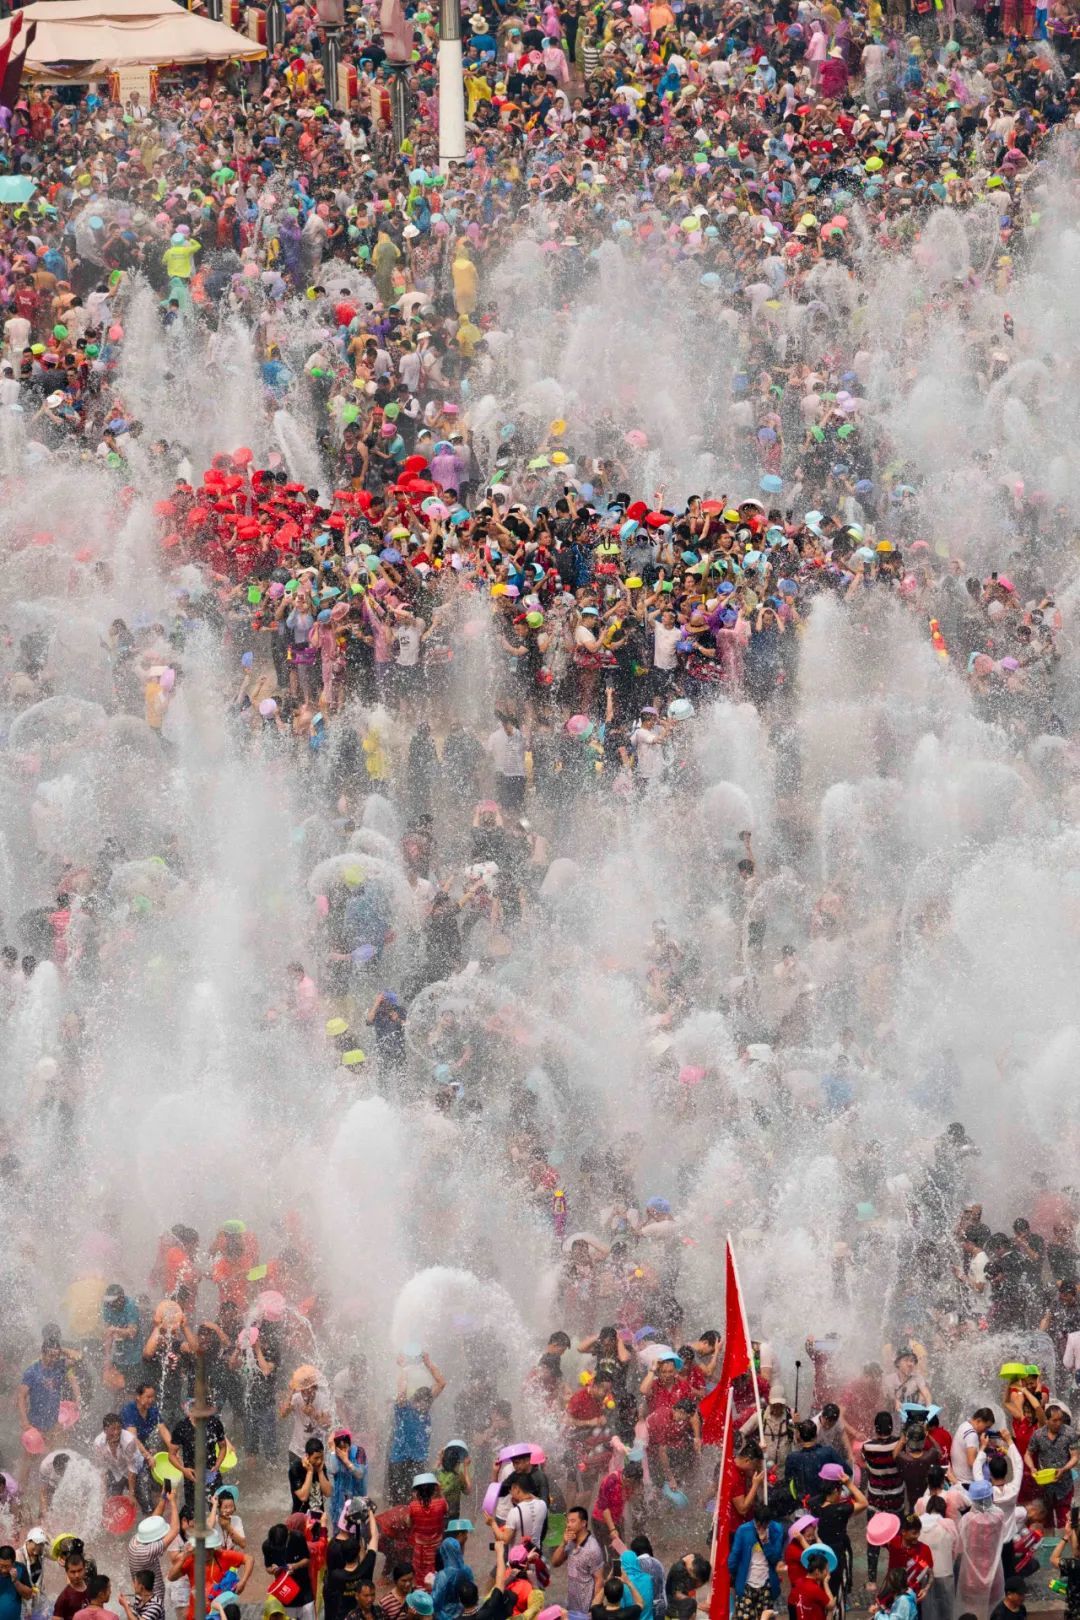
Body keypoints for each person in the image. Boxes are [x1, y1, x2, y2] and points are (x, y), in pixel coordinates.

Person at [388, 1357, 446, 1505]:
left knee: (418, 1499)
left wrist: (428, 1362)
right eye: (422, 1404)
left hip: (419, 1460)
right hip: (399, 1459)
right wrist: (403, 1368)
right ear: (414, 1400)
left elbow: (441, 1383)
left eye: (427, 1404)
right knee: (399, 1501)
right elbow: (401, 1389)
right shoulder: (403, 1408)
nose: (425, 1408)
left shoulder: (424, 1411)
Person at [728, 1502, 785, 1620]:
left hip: (767, 1585)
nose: (760, 1528)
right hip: (746, 1585)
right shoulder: (743, 1531)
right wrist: (736, 1576)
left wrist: (766, 1543)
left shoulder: (777, 1530)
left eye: (764, 1525)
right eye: (758, 1524)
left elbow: (775, 1558)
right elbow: (733, 1558)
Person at [550, 1506, 604, 1615]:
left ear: (583, 1523)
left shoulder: (592, 1549)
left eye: (573, 1521)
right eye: (568, 1521)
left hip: (586, 1609)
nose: (568, 1525)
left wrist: (595, 1610)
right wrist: (563, 1543)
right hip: (571, 1606)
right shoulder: (570, 1542)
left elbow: (599, 1580)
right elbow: (555, 1563)